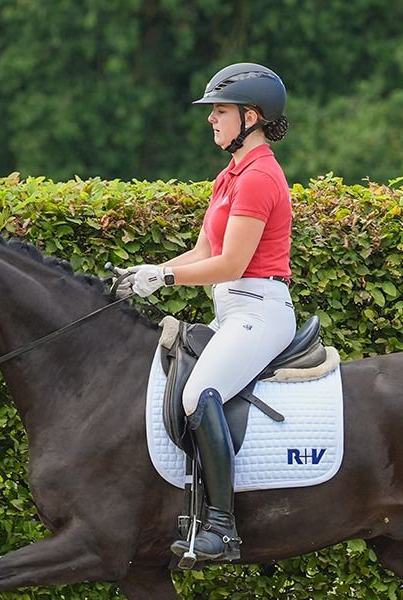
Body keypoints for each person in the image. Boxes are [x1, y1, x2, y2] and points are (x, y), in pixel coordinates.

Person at [116, 62, 295, 564]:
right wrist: (148, 270)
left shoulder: (260, 177)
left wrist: (166, 279)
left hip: (260, 311)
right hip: (234, 310)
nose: (210, 120)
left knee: (200, 393)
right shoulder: (229, 176)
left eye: (219, 111)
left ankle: (222, 527)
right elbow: (202, 251)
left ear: (251, 116)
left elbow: (233, 263)